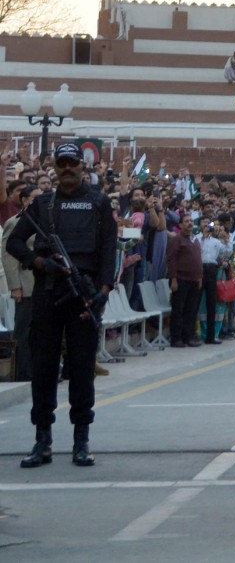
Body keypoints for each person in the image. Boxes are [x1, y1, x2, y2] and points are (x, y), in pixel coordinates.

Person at [7, 143, 117, 469]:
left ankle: (81, 441)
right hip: (48, 293)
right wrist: (39, 262)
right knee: (43, 369)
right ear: (55, 168)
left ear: (82, 166)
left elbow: (109, 249)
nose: (67, 169)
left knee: (82, 370)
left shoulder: (98, 203)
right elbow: (13, 241)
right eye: (62, 164)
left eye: (72, 163)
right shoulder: (43, 204)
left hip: (83, 295)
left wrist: (104, 290)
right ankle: (42, 441)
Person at [2, 186, 40, 381]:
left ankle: (37, 369)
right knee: (23, 330)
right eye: (34, 198)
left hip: (41, 284)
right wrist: (14, 285)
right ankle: (23, 371)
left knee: (38, 330)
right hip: (25, 285)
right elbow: (8, 256)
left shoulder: (44, 222)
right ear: (25, 200)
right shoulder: (14, 222)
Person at [166, 212, 203, 348]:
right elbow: (171, 259)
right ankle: (176, 339)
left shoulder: (195, 239)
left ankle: (188, 337)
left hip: (194, 280)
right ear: (180, 225)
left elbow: (198, 260)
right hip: (181, 279)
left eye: (191, 221)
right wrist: (173, 279)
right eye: (186, 221)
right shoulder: (177, 239)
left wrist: (199, 278)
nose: (190, 223)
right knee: (178, 310)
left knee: (191, 310)